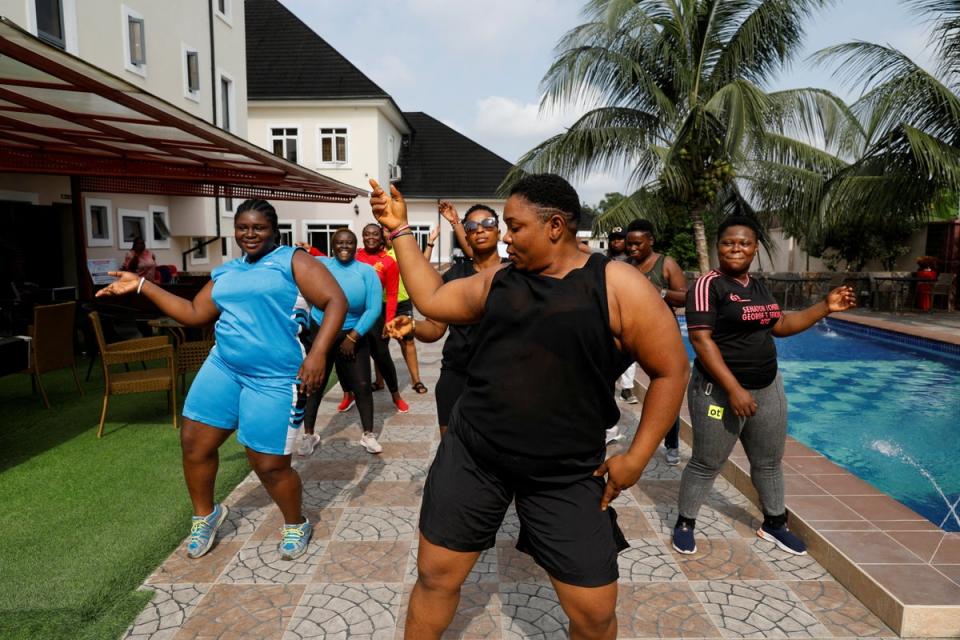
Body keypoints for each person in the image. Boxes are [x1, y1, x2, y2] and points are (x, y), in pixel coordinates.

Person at [370, 174, 688, 640]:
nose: (506, 237)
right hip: (474, 457)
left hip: (565, 472)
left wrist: (637, 457)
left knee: (595, 615)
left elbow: (671, 370)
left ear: (555, 226)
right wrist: (399, 230)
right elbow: (432, 298)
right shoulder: (500, 280)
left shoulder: (616, 284)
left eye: (515, 227)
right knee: (436, 578)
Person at [96, 199, 347, 561]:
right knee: (195, 444)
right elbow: (195, 313)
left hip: (275, 376)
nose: (250, 234)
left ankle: (296, 522)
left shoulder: (293, 261)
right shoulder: (226, 272)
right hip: (224, 367)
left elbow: (334, 300)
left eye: (258, 227)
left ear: (274, 230)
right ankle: (205, 515)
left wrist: (318, 353)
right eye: (243, 227)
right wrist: (142, 286)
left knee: (269, 465)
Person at [674, 216, 856, 557]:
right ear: (718, 246)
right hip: (719, 390)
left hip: (767, 386)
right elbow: (700, 339)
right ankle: (685, 522)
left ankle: (774, 523)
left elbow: (781, 325)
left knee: (769, 461)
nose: (736, 249)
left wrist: (824, 307)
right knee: (707, 462)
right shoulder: (707, 285)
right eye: (728, 242)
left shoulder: (757, 286)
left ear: (755, 248)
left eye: (744, 243)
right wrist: (734, 389)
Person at [386, 203, 506, 436]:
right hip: (457, 374)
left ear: (498, 231)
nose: (480, 230)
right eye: (472, 226)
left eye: (488, 224)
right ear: (466, 236)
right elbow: (435, 327)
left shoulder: (514, 273)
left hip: (500, 377)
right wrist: (412, 325)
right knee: (450, 448)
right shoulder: (454, 276)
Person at [298, 229, 384, 456]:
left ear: (356, 246)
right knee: (314, 384)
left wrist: (353, 336)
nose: (344, 247)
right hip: (322, 330)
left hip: (353, 334)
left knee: (363, 385)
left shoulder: (366, 272)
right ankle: (309, 435)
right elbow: (293, 262)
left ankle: (368, 435)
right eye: (339, 243)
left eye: (349, 243)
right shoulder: (321, 266)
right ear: (332, 246)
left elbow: (374, 308)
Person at [620, 218, 688, 465]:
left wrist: (657, 291)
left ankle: (672, 445)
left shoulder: (666, 264)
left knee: (668, 390)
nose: (633, 248)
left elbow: (684, 298)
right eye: (629, 244)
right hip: (627, 335)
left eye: (637, 243)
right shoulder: (625, 266)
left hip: (660, 336)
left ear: (650, 240)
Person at [355, 223, 409, 413]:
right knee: (348, 356)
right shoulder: (355, 257)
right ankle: (348, 395)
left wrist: (388, 321)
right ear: (362, 236)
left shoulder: (388, 262)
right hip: (353, 316)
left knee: (382, 355)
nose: (371, 237)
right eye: (367, 234)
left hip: (375, 315)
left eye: (375, 234)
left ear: (381, 238)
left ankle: (396, 395)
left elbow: (393, 294)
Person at [383, 232, 428, 394]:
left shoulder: (404, 252)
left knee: (408, 341)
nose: (388, 235)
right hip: (381, 304)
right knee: (381, 345)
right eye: (385, 231)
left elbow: (422, 263)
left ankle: (416, 380)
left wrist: (429, 244)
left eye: (391, 232)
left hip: (402, 302)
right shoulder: (379, 254)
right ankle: (379, 381)